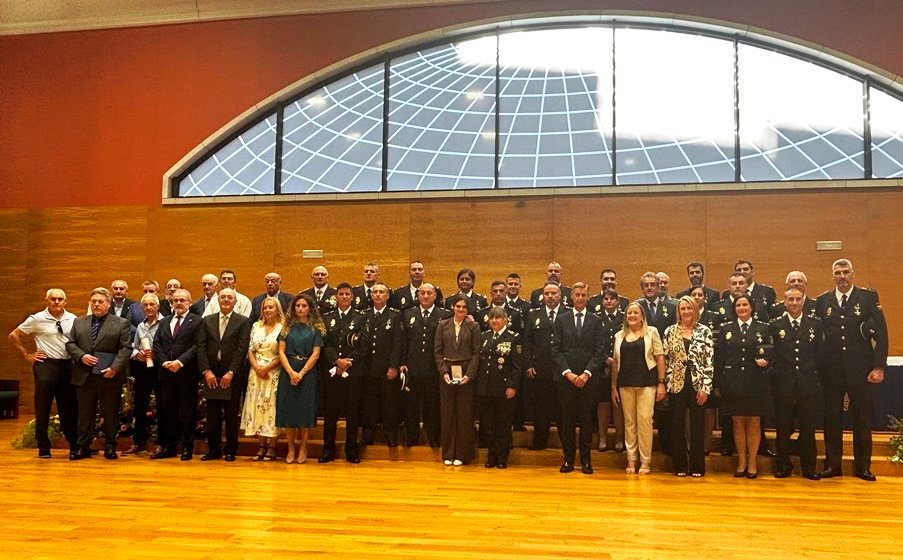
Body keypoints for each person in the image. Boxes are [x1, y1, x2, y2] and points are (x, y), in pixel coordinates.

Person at [815, 258, 888, 481]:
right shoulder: (823, 301)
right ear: (833, 275)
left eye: (846, 272)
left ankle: (863, 466)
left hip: (860, 369)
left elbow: (882, 334)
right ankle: (833, 465)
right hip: (832, 371)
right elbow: (818, 337)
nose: (842, 276)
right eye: (838, 272)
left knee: (862, 419)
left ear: (853, 274)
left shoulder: (867, 298)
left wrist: (878, 366)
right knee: (832, 419)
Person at [9, 288, 78, 459]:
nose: (56, 302)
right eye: (53, 299)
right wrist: (27, 354)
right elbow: (14, 335)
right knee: (43, 406)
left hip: (67, 367)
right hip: (45, 366)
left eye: (60, 299)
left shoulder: (73, 319)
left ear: (65, 301)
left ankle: (74, 444)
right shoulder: (37, 318)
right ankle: (43, 446)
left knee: (68, 408)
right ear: (46, 300)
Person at [66, 287, 133, 460]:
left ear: (108, 304)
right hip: (84, 375)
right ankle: (83, 447)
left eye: (100, 301)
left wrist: (115, 368)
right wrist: (82, 356)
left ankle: (110, 446)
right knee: (85, 415)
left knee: (110, 414)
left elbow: (125, 348)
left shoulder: (121, 323)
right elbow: (70, 344)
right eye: (94, 301)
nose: (97, 304)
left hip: (109, 376)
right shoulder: (79, 322)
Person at [714, 294, 773, 479]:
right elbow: (720, 357)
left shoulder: (763, 328)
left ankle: (753, 463)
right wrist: (717, 382)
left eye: (745, 304)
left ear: (751, 307)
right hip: (732, 382)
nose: (741, 308)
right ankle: (741, 461)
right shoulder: (726, 329)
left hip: (756, 381)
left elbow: (771, 353)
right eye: (738, 305)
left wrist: (767, 363)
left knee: (754, 422)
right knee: (737, 421)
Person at [552, 282, 606, 475]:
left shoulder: (596, 320)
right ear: (571, 297)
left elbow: (600, 351)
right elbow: (556, 350)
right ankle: (568, 459)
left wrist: (586, 374)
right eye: (577, 295)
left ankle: (586, 460)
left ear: (588, 297)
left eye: (584, 295)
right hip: (566, 379)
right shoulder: (561, 319)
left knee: (586, 421)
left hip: (588, 380)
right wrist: (569, 373)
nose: (581, 298)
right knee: (566, 421)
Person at [770, 287, 823, 480]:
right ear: (784, 302)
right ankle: (783, 465)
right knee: (783, 428)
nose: (794, 303)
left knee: (808, 429)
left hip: (807, 385)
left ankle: (809, 467)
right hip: (783, 385)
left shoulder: (814, 324)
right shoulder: (776, 325)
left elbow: (819, 354)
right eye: (790, 299)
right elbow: (773, 355)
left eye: (797, 299)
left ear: (803, 301)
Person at [196, 288, 251, 462]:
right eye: (223, 297)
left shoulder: (243, 322)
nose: (226, 300)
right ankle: (214, 450)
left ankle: (230, 450)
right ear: (217, 300)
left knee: (231, 413)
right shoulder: (207, 321)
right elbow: (201, 347)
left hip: (232, 375)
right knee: (212, 414)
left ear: (235, 302)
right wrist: (207, 371)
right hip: (212, 374)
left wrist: (231, 372)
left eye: (229, 297)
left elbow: (242, 349)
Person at [611, 302, 665, 475]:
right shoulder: (619, 335)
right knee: (629, 423)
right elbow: (615, 363)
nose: (632, 316)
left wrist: (661, 382)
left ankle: (645, 461)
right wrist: (613, 385)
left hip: (647, 383)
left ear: (642, 316)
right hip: (625, 383)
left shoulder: (652, 332)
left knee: (645, 421)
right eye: (629, 313)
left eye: (635, 313)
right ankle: (631, 459)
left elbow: (660, 358)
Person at [662, 296, 714, 477]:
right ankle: (680, 466)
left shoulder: (705, 331)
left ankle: (697, 467)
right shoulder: (670, 331)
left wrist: (705, 388)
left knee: (697, 426)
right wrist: (665, 383)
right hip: (676, 384)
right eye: (683, 309)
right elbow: (666, 359)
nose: (686, 312)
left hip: (697, 384)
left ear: (695, 310)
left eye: (689, 308)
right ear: (678, 311)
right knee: (677, 426)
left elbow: (709, 362)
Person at [320, 283, 370, 463]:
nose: (343, 297)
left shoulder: (361, 318)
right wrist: (336, 361)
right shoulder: (327, 318)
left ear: (352, 297)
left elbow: (364, 345)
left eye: (347, 294)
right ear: (336, 297)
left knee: (352, 412)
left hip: (353, 371)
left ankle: (351, 450)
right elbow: (324, 343)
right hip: (332, 371)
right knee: (330, 412)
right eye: (340, 294)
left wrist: (347, 362)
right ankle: (328, 450)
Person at [151, 289, 203, 461]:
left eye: (183, 300)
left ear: (189, 302)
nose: (179, 303)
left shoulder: (196, 321)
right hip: (166, 374)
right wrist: (165, 362)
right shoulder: (165, 321)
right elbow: (156, 343)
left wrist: (179, 362)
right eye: (176, 300)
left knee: (187, 412)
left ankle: (187, 447)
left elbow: (197, 346)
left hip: (186, 373)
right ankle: (170, 447)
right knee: (168, 411)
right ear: (171, 303)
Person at [400, 283, 450, 447]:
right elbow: (404, 342)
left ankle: (434, 438)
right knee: (411, 406)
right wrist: (402, 362)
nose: (426, 296)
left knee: (433, 406)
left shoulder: (445, 315)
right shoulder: (408, 314)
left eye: (429, 293)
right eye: (422, 293)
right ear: (418, 296)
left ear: (435, 296)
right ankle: (412, 437)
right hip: (412, 369)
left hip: (434, 369)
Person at [433, 294, 481, 466]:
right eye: (458, 306)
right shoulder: (443, 325)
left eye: (464, 307)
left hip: (466, 374)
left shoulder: (474, 326)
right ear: (452, 307)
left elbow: (476, 353)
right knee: (447, 414)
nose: (461, 310)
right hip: (446, 373)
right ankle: (447, 453)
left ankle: (462, 453)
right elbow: (437, 352)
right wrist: (443, 372)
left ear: (468, 310)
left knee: (464, 415)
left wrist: (469, 375)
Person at [277, 293, 324, 464]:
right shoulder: (287, 328)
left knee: (304, 412)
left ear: (309, 308)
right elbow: (281, 351)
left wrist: (301, 373)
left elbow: (316, 354)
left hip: (307, 373)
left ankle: (303, 447)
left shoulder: (316, 329)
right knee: (289, 412)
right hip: (288, 371)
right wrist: (291, 372)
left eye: (304, 306)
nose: (300, 309)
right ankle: (290, 448)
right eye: (297, 306)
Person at [477, 307, 522, 469]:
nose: (494, 321)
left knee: (503, 424)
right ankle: (491, 454)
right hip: (486, 387)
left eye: (498, 318)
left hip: (504, 388)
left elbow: (517, 366)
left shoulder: (513, 338)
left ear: (505, 320)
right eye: (491, 318)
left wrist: (512, 386)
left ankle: (502, 456)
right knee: (488, 424)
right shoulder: (484, 336)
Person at [241, 296, 285, 462]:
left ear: (277, 309)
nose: (268, 310)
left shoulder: (283, 327)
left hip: (273, 372)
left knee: (270, 408)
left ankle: (272, 447)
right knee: (257, 407)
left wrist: (267, 368)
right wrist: (256, 367)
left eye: (271, 307)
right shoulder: (256, 326)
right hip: (256, 372)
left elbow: (282, 353)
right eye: (265, 307)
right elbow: (250, 349)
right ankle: (261, 446)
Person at [361, 283, 404, 446]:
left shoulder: (395, 315)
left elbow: (398, 343)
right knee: (369, 403)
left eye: (381, 292)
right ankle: (368, 434)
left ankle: (390, 434)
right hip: (368, 367)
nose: (378, 295)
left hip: (387, 367)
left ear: (387, 296)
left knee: (389, 403)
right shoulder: (364, 315)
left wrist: (393, 366)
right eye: (375, 292)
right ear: (371, 295)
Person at [523, 282, 563, 450]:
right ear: (542, 296)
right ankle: (540, 441)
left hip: (563, 370)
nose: (550, 296)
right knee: (541, 408)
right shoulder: (533, 314)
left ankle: (565, 442)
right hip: (541, 368)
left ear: (560, 295)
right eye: (547, 293)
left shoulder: (567, 313)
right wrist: (528, 365)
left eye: (554, 293)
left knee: (562, 408)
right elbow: (527, 342)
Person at [123, 292, 164, 455]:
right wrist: (136, 354)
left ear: (158, 306)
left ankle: (162, 443)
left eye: (151, 304)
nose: (148, 307)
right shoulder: (140, 326)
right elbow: (134, 346)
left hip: (160, 369)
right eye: (145, 305)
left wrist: (157, 354)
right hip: (142, 369)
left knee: (162, 406)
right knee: (140, 406)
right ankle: (139, 442)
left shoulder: (165, 323)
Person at [595, 288, 625, 452]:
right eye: (605, 299)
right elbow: (593, 342)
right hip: (601, 367)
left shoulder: (624, 318)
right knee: (603, 404)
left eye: (612, 299)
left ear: (617, 301)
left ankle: (619, 438)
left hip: (622, 367)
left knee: (618, 404)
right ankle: (603, 438)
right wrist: (605, 359)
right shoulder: (596, 318)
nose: (608, 301)